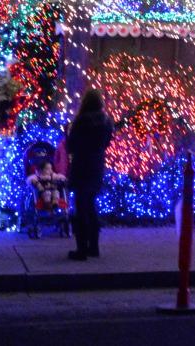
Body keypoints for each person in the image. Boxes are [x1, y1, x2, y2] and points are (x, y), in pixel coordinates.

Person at [65, 89, 114, 261]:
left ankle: (81, 249)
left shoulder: (80, 121)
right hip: (97, 165)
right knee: (91, 206)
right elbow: (107, 142)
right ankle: (94, 246)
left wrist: (68, 134)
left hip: (82, 165)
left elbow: (71, 146)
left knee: (80, 207)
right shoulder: (106, 121)